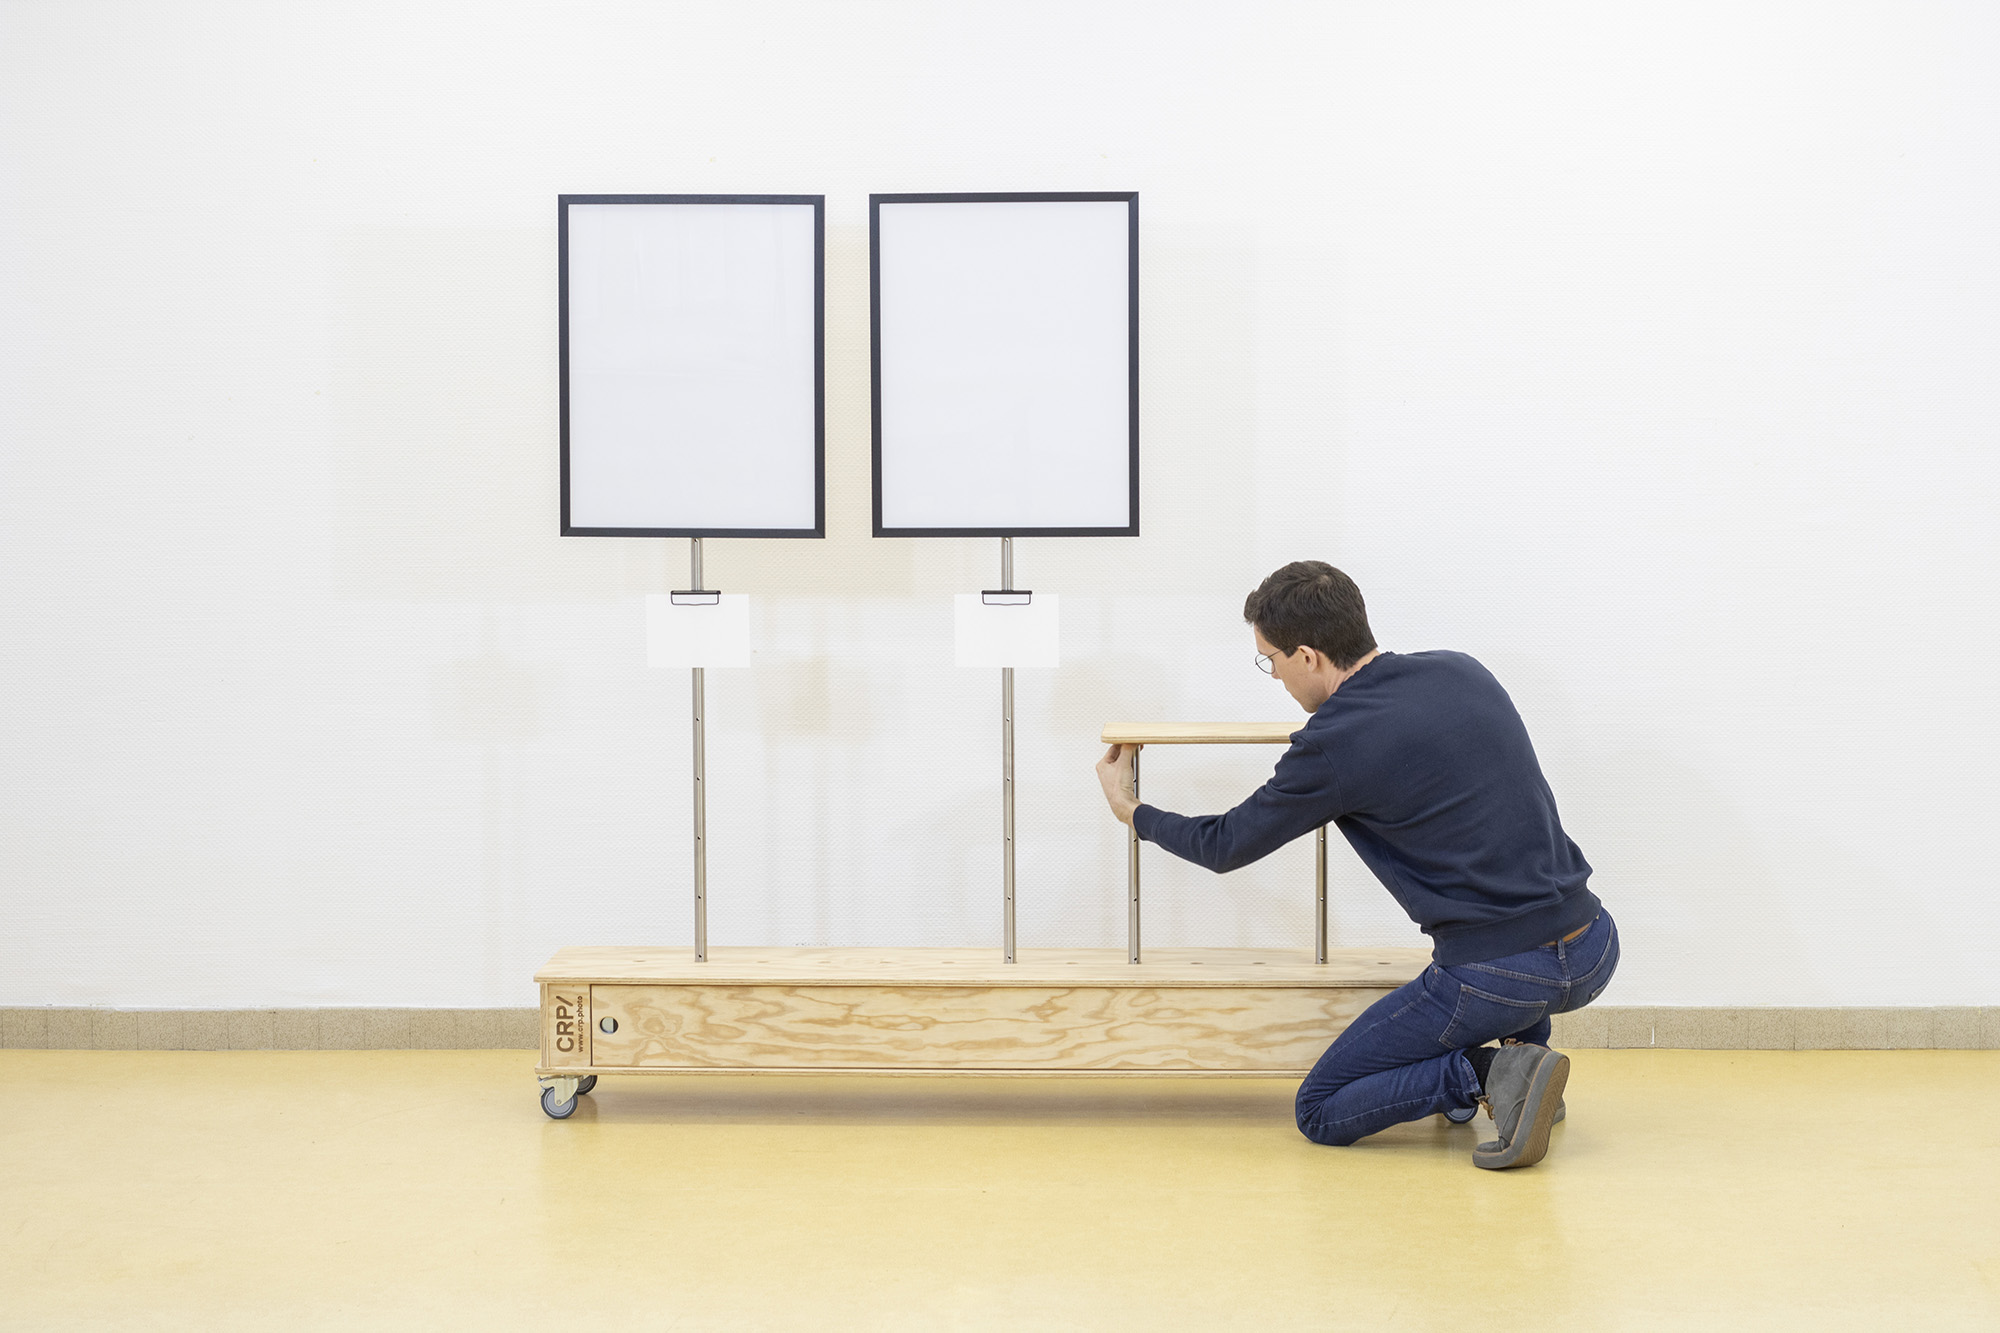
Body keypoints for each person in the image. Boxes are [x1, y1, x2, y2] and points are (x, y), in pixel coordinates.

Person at [1092, 561, 1617, 1169]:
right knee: (1507, 926)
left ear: (1307, 656)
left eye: (1271, 660)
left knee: (1319, 1108)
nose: (1275, 676)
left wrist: (1131, 810)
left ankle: (1494, 1073)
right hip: (1594, 946)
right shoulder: (1462, 670)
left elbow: (1225, 845)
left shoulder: (1334, 741)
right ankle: (1530, 1070)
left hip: (1497, 975)